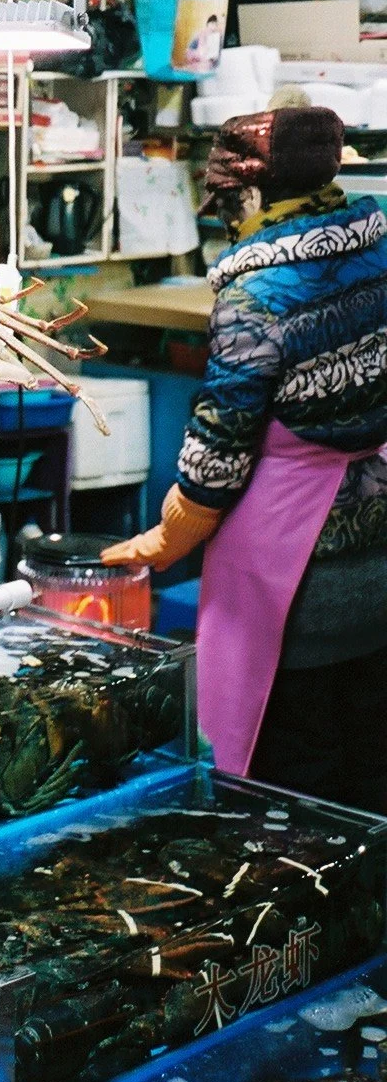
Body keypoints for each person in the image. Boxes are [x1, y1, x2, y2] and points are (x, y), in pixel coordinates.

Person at [104, 105, 387, 813]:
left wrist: (164, 538)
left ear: (254, 194)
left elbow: (219, 456)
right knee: (371, 759)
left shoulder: (256, 293)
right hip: (378, 540)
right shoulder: (380, 245)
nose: (224, 216)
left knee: (294, 784)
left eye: (226, 200)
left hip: (297, 580)